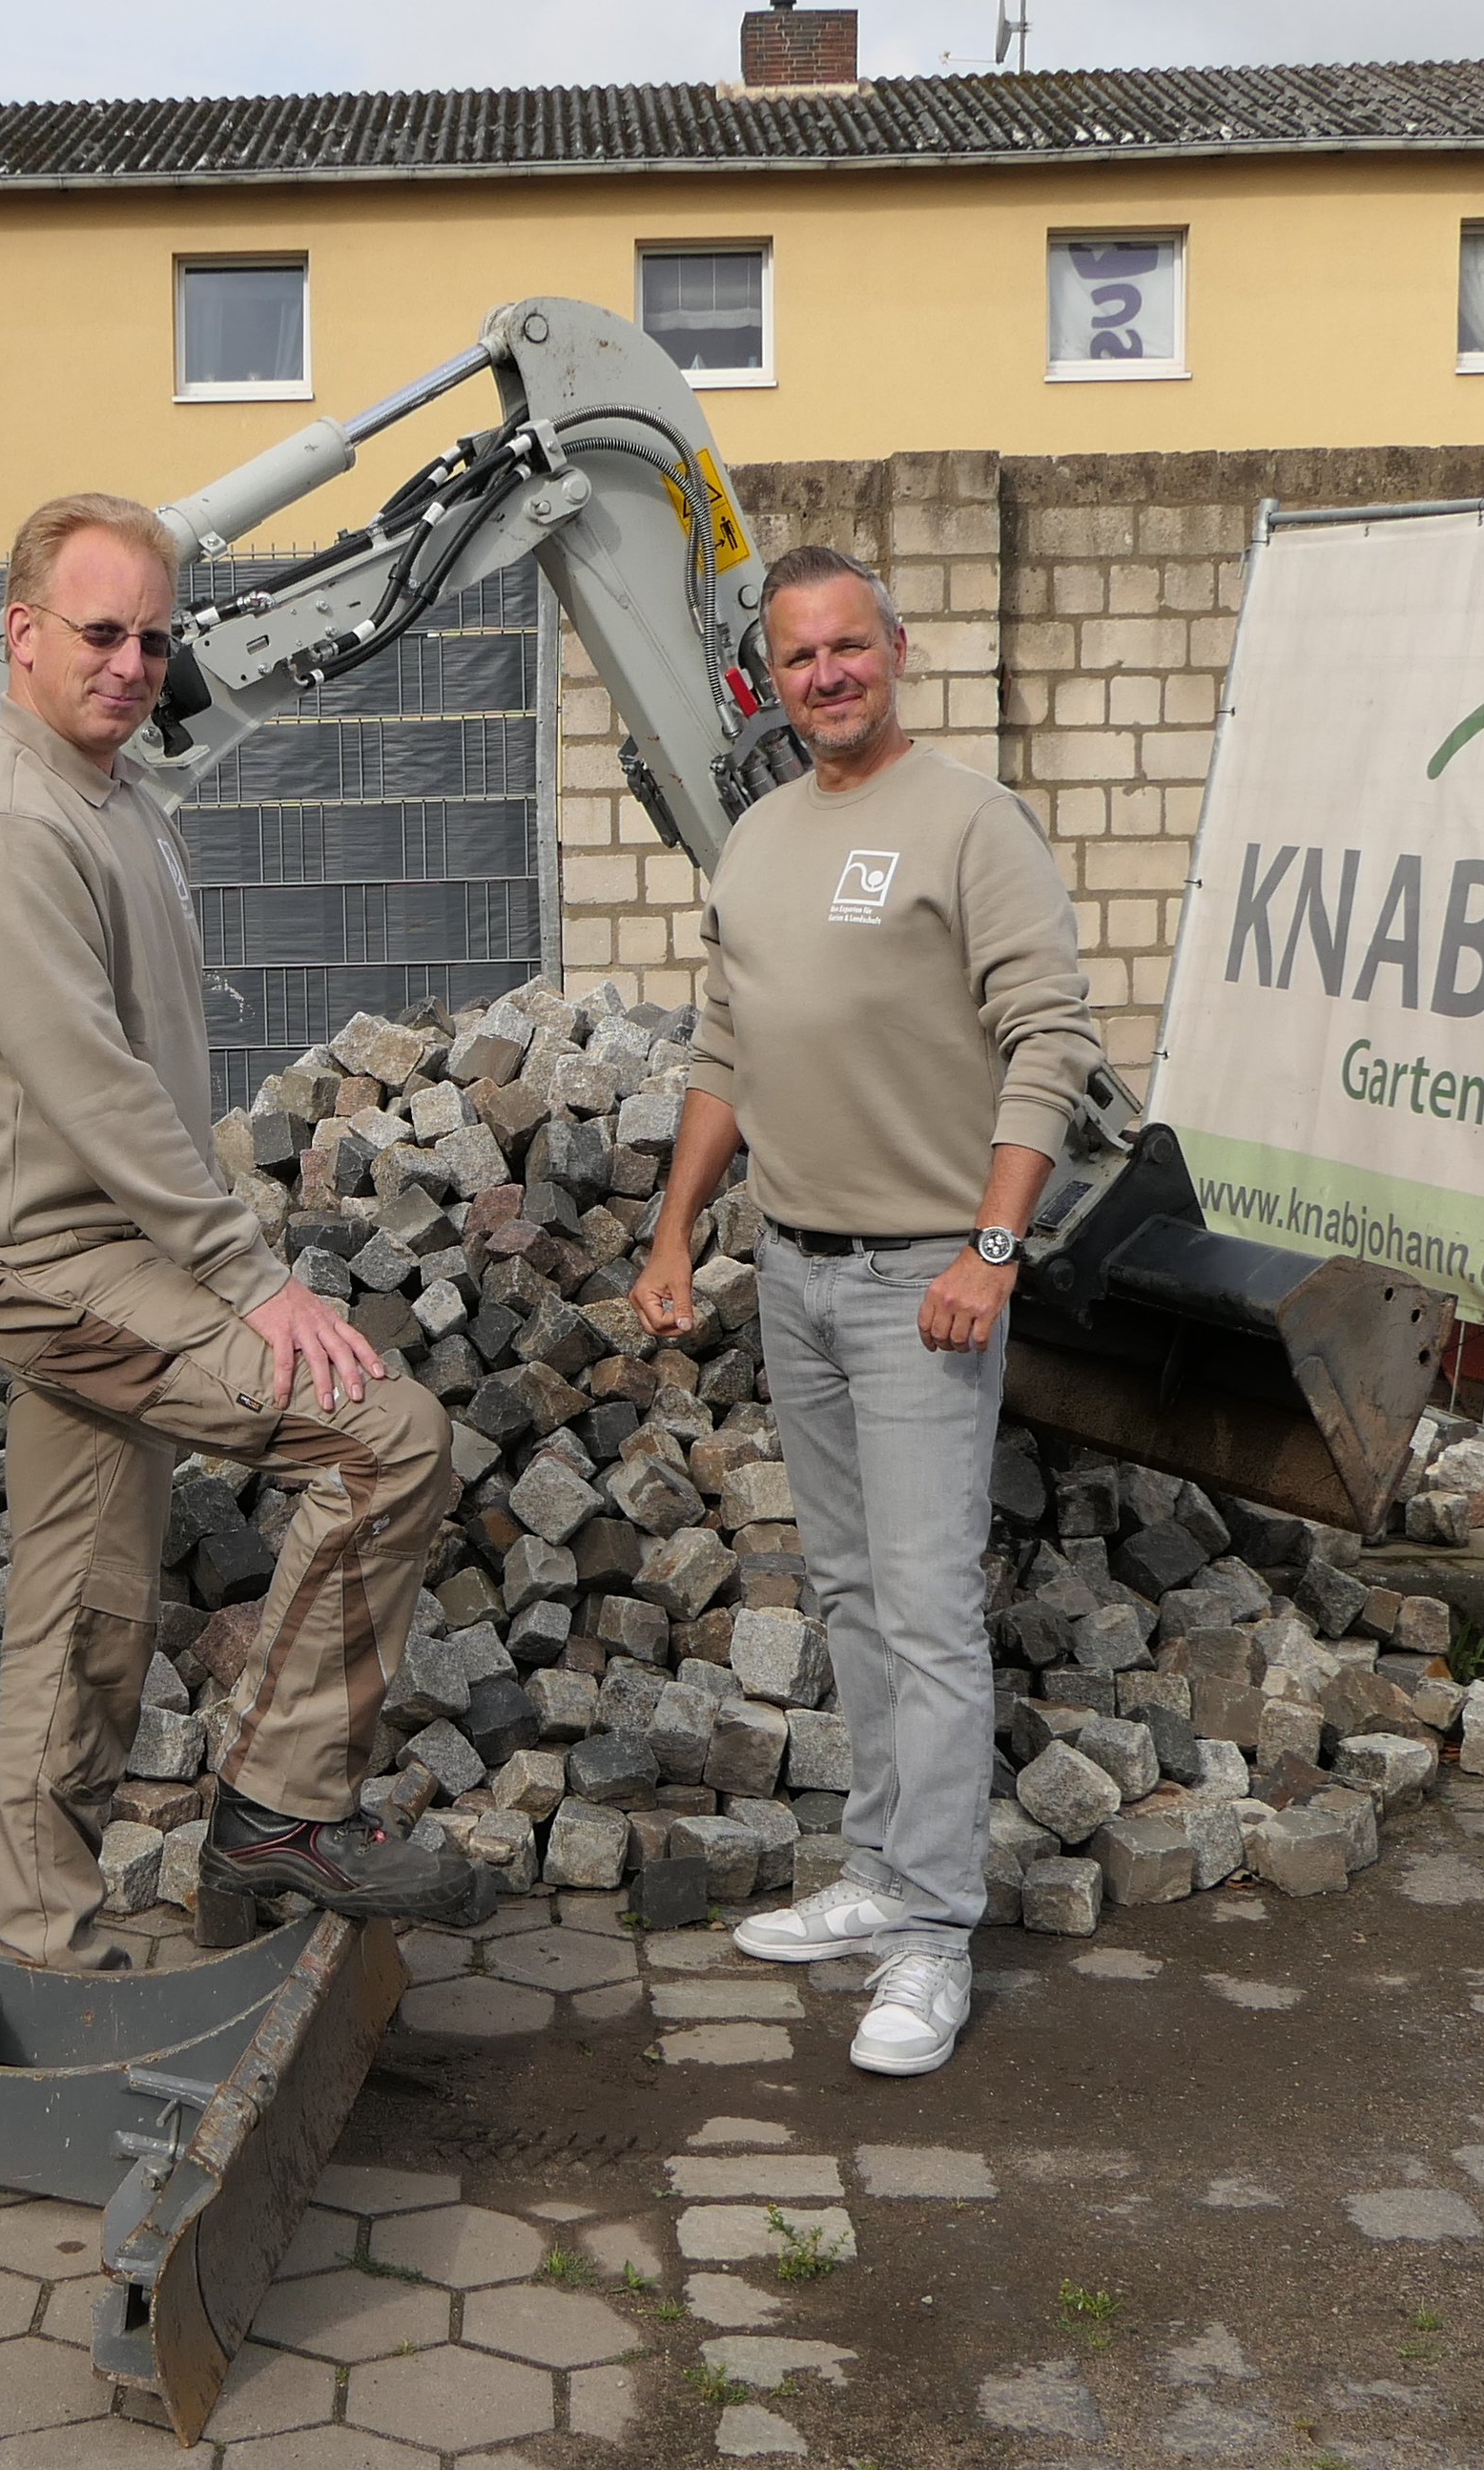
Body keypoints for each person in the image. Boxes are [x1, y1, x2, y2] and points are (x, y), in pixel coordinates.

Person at [0, 491, 494, 1970]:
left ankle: (50, 1950)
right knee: (388, 1438)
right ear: (23, 634)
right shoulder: (7, 828)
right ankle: (280, 1812)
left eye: (153, 637)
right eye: (100, 633)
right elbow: (100, 1094)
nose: (130, 663)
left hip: (125, 1251)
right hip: (59, 1264)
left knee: (87, 1605)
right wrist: (251, 1284)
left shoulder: (114, 798)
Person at [630, 541, 1103, 2076]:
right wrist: (675, 1225)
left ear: (895, 649)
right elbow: (726, 1049)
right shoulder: (758, 837)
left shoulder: (971, 821)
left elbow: (1049, 1040)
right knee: (848, 1593)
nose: (827, 676)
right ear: (768, 679)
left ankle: (932, 1934)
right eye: (799, 658)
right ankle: (883, 1868)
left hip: (924, 1284)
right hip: (797, 1268)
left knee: (925, 1603)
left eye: (851, 647)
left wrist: (991, 1248)